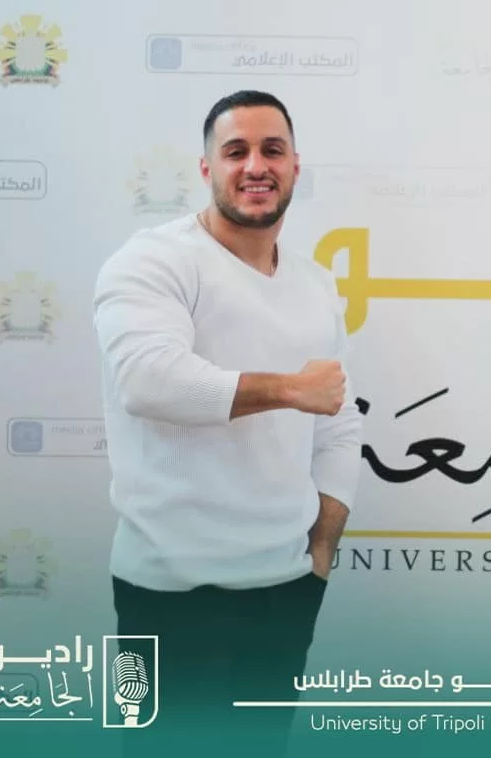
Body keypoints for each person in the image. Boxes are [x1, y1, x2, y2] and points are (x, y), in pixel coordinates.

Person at [92, 90, 363, 755]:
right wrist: (289, 389)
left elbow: (337, 421)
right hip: (165, 592)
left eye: (272, 150)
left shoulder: (316, 283)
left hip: (285, 589)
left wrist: (320, 552)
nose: (255, 165)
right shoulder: (155, 260)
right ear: (207, 167)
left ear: (295, 166)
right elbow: (148, 380)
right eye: (235, 151)